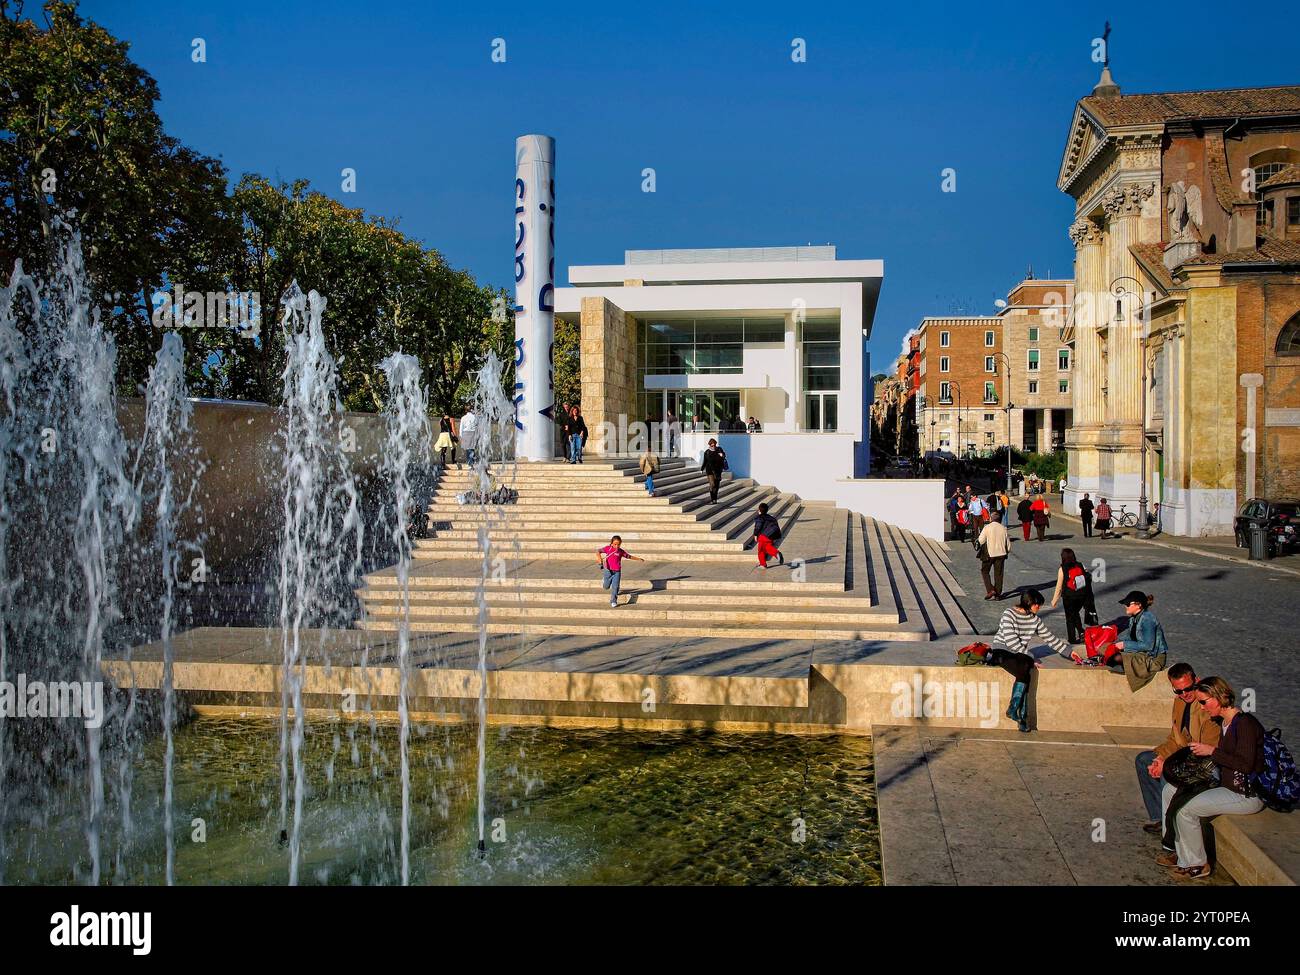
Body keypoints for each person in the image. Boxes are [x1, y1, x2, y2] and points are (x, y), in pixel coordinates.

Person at [1157, 677, 1266, 881]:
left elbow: (1245, 764)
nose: (1202, 707)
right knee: (1170, 790)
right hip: (1226, 785)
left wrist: (1212, 751)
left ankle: (1197, 864)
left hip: (1245, 793)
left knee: (1185, 809)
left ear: (1219, 697)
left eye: (1204, 702)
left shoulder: (1245, 725)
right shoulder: (1225, 722)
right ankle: (1178, 853)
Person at [1134, 663, 1221, 836]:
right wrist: (1159, 757)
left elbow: (1204, 749)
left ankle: (1171, 829)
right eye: (1178, 691)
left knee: (1169, 771)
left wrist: (1166, 762)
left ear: (1197, 680)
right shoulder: (1180, 703)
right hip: (1186, 754)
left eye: (1188, 688)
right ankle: (1160, 817)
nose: (1185, 694)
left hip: (1207, 763)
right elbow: (1175, 739)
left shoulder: (1207, 706)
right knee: (1144, 760)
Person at [988, 589, 1072, 732]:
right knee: (1026, 669)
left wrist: (1070, 653)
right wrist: (1032, 657)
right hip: (1002, 650)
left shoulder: (1035, 620)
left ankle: (1015, 711)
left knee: (1026, 667)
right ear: (1029, 602)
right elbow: (1010, 640)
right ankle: (1021, 715)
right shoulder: (1009, 614)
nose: (1038, 607)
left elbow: (1050, 639)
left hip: (1018, 652)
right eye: (1037, 604)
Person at [1110, 591, 1168, 692]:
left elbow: (1148, 646)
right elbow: (1128, 638)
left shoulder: (1147, 619)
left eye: (1128, 604)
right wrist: (1115, 644)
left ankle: (1127, 676)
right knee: (1109, 652)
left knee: (1117, 658)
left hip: (1153, 658)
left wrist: (1124, 645)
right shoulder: (1134, 619)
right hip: (1141, 654)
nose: (1125, 606)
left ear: (1138, 605)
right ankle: (1125, 672)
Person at [1050, 547, 1097, 645]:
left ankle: (1072, 638)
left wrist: (1054, 600)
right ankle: (1081, 632)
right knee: (1075, 614)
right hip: (1082, 595)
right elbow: (1088, 577)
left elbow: (1059, 586)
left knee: (1070, 617)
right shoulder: (1080, 565)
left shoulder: (1062, 569)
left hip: (1069, 596)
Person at [597, 535, 644, 608]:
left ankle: (613, 601)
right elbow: (598, 551)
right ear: (611, 543)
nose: (617, 546)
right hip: (608, 571)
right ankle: (604, 581)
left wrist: (638, 559)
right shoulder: (608, 549)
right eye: (615, 544)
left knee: (615, 587)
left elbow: (629, 556)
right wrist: (599, 559)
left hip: (617, 571)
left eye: (618, 544)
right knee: (606, 587)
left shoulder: (620, 551)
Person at [976, 515, 1009, 599]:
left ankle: (990, 590)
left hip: (989, 554)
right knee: (999, 574)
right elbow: (1008, 544)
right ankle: (998, 594)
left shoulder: (987, 527)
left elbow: (981, 540)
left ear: (991, 519)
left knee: (985, 571)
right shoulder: (1003, 528)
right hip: (1001, 553)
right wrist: (1006, 551)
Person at [751, 501, 784, 568]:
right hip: (771, 536)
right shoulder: (771, 518)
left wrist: (755, 535)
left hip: (763, 536)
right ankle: (775, 555)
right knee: (767, 547)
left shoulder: (760, 518)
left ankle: (764, 564)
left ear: (759, 510)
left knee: (761, 550)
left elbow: (758, 527)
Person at [701, 438, 727, 503]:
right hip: (710, 470)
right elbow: (705, 461)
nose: (714, 446)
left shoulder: (719, 449)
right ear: (709, 445)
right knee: (712, 484)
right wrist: (702, 469)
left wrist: (722, 455)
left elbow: (724, 455)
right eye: (712, 445)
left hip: (718, 470)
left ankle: (715, 499)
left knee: (717, 485)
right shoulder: (707, 452)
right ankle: (712, 499)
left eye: (714, 445)